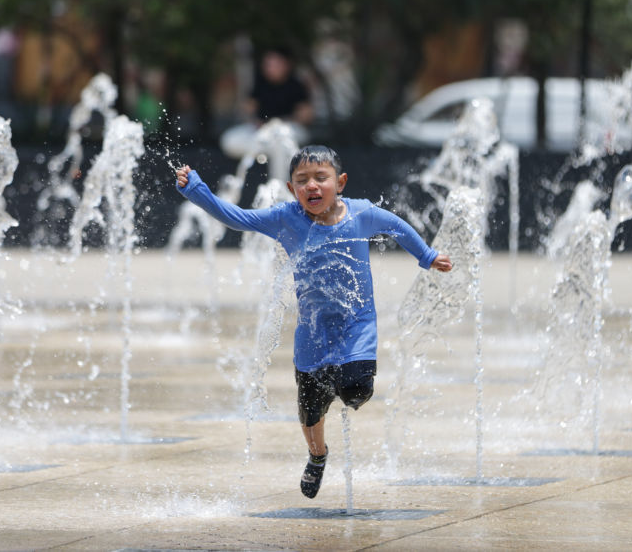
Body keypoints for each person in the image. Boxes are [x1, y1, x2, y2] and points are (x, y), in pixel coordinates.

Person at [175, 145, 452, 498]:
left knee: (356, 390)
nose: (312, 186)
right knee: (310, 407)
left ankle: (339, 384)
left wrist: (427, 256)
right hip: (312, 331)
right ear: (292, 189)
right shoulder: (285, 218)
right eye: (302, 180)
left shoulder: (362, 214)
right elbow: (238, 217)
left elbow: (396, 227)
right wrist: (196, 189)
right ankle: (318, 455)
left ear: (340, 183)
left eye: (321, 178)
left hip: (356, 325)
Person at [220, 47, 314, 160]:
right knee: (230, 139)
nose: (271, 68)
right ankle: (262, 155)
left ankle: (279, 170)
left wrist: (277, 123)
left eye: (276, 64)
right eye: (268, 64)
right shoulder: (260, 84)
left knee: (281, 139)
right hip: (262, 131)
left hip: (288, 130)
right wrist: (256, 122)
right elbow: (247, 110)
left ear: (287, 65)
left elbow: (305, 117)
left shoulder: (296, 85)